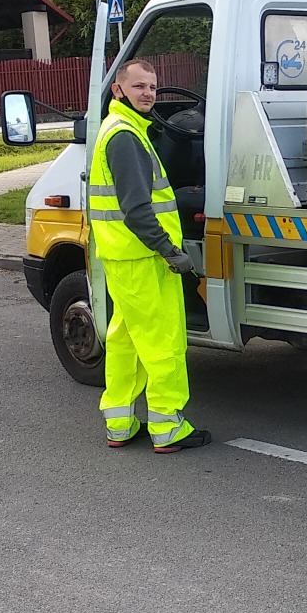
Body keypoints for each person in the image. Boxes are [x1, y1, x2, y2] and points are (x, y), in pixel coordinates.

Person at [87, 56, 211, 452]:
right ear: (118, 89)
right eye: (139, 86)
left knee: (124, 340)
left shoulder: (119, 129)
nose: (149, 94)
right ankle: (168, 427)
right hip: (144, 259)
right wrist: (170, 251)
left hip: (124, 259)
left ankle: (120, 423)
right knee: (164, 344)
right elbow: (137, 209)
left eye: (153, 87)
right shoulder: (125, 136)